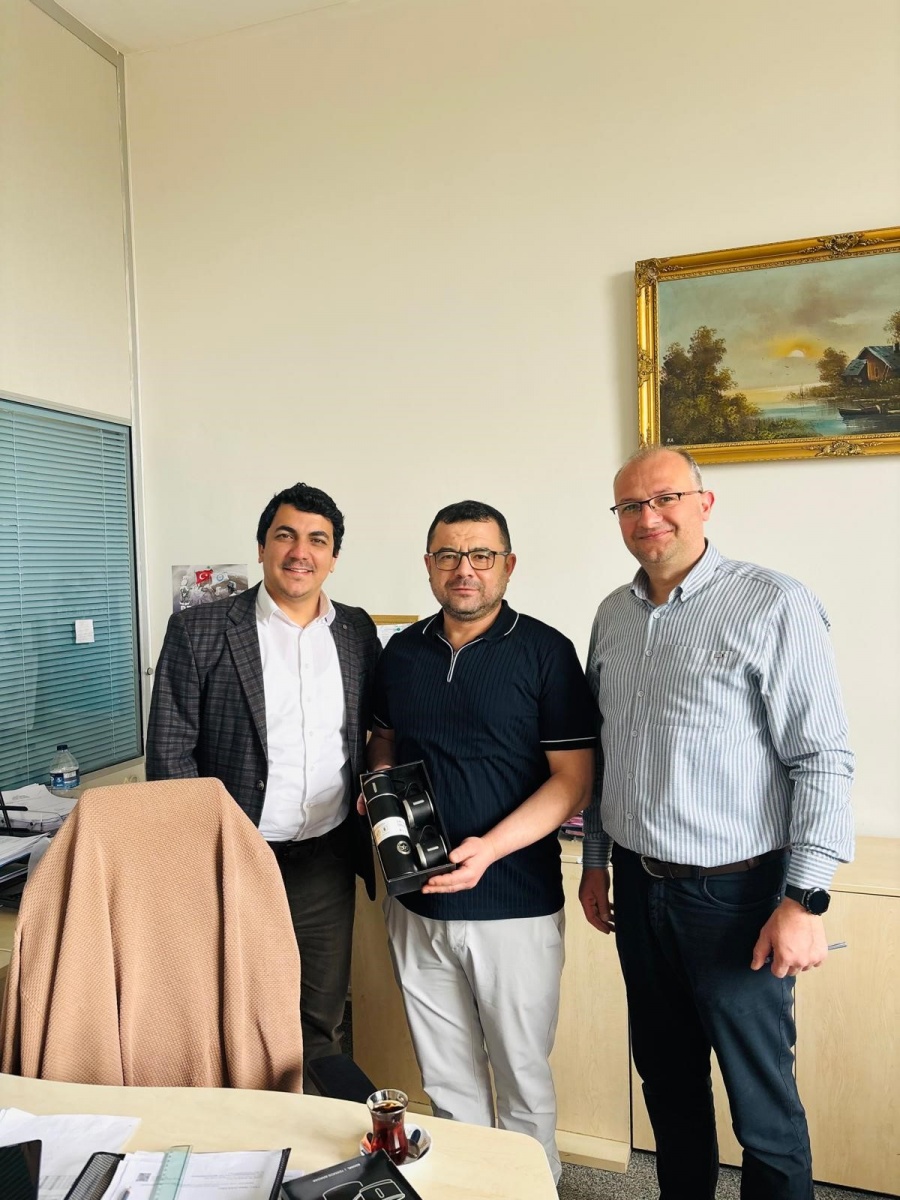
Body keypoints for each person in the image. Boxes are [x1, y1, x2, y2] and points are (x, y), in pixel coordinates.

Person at [579, 447, 854, 1200]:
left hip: (737, 898)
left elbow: (822, 758)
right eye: (630, 506)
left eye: (665, 498)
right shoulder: (612, 616)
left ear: (704, 503)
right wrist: (597, 861)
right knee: (667, 1085)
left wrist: (804, 900)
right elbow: (605, 753)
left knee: (761, 1106)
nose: (648, 517)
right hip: (638, 888)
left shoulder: (774, 603)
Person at [366, 499, 595, 1183]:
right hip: (416, 903)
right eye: (448, 555)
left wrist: (489, 849)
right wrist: (378, 791)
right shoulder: (402, 652)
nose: (464, 569)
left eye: (481, 555)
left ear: (508, 565)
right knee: (447, 1081)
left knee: (521, 1075)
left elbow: (573, 781)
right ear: (429, 565)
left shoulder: (546, 652)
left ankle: (531, 1189)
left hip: (513, 903)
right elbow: (384, 741)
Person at [146, 482, 380, 1081]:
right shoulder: (199, 630)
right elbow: (170, 756)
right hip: (233, 857)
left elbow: (372, 731)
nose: (300, 552)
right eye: (286, 536)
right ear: (261, 547)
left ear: (333, 557)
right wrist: (204, 857)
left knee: (320, 1021)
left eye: (317, 540)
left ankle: (305, 1131)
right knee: (228, 1018)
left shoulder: (356, 632)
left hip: (325, 858)